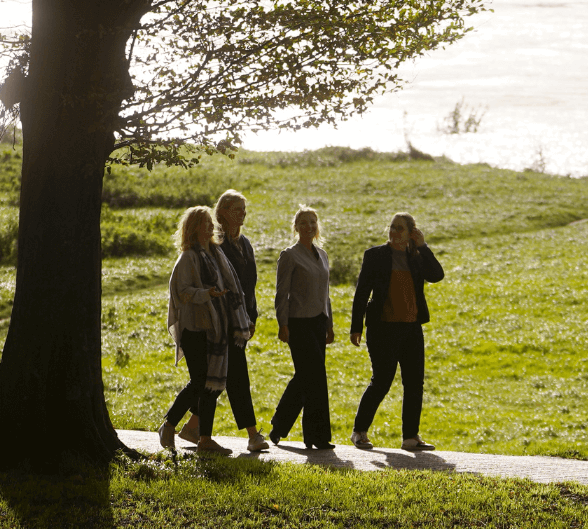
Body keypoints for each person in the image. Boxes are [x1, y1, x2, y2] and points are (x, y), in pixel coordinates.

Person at [349, 212, 445, 451]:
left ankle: (410, 437)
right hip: (382, 328)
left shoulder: (417, 257)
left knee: (414, 383)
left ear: (411, 233)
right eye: (392, 227)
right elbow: (362, 292)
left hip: (411, 328)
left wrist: (423, 246)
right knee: (381, 381)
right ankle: (359, 432)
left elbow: (437, 275)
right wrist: (356, 327)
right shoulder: (375, 256)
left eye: (400, 228)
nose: (394, 232)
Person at [180, 190, 267, 453]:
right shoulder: (217, 246)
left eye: (244, 209)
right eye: (237, 209)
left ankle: (192, 426)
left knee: (220, 376)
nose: (243, 214)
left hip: (241, 321)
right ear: (222, 212)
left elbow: (249, 286)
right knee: (237, 376)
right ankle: (252, 435)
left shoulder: (246, 244)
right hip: (221, 322)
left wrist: (251, 316)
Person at [160, 206, 251, 455]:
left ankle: (205, 440)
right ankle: (169, 425)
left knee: (212, 384)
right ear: (194, 228)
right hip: (195, 329)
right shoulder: (188, 257)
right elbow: (180, 292)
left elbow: (230, 288)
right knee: (200, 382)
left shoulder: (216, 254)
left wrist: (239, 317)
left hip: (217, 328)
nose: (211, 225)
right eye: (205, 222)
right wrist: (205, 294)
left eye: (211, 221)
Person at [269, 206, 335, 450]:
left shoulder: (323, 255)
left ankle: (295, 430)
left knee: (308, 377)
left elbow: (325, 293)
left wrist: (329, 324)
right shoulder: (289, 255)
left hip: (318, 322)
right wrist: (282, 323)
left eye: (313, 222)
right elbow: (282, 293)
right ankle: (314, 435)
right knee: (313, 376)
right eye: (304, 222)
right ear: (296, 227)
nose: (309, 226)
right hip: (298, 323)